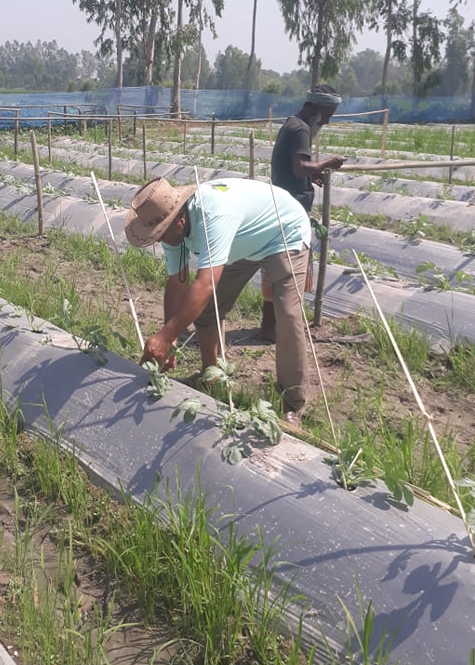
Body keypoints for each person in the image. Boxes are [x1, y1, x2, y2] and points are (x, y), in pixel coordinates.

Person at [124, 175, 312, 424]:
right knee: (205, 311)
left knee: (287, 314)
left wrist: (165, 337)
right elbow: (177, 283)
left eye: (161, 233)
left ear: (179, 218)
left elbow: (205, 283)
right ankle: (212, 377)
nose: (160, 239)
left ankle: (293, 402)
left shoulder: (212, 215)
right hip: (241, 240)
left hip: (282, 233)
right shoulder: (170, 230)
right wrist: (169, 339)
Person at [259, 84, 346, 341]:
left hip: (284, 202)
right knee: (289, 269)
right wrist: (325, 164)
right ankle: (282, 328)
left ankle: (270, 326)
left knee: (276, 266)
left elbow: (297, 169)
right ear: (316, 107)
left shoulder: (292, 124)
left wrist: (313, 174)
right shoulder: (301, 129)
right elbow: (299, 168)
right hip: (291, 208)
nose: (328, 120)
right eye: (328, 113)